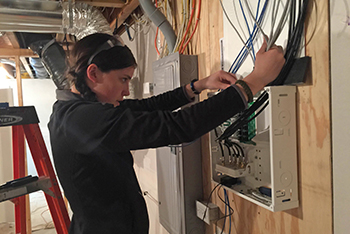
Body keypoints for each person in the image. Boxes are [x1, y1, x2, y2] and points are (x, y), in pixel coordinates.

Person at [48, 32, 285, 234]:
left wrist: (196, 87)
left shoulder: (77, 112)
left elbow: (146, 107)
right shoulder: (81, 120)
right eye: (123, 79)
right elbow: (176, 126)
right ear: (93, 73)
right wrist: (256, 80)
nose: (126, 90)